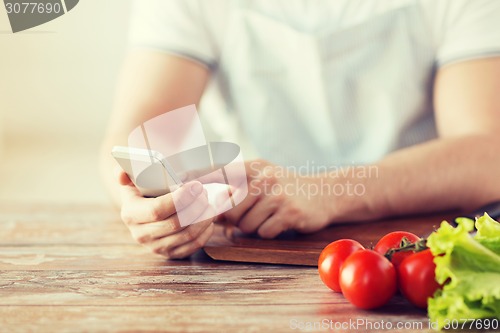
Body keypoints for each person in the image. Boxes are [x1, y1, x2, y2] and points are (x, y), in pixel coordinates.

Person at [100, 0, 500, 259]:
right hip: (248, 244)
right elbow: (138, 133)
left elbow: (487, 154)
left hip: (415, 245)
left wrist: (327, 191)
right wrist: (142, 201)